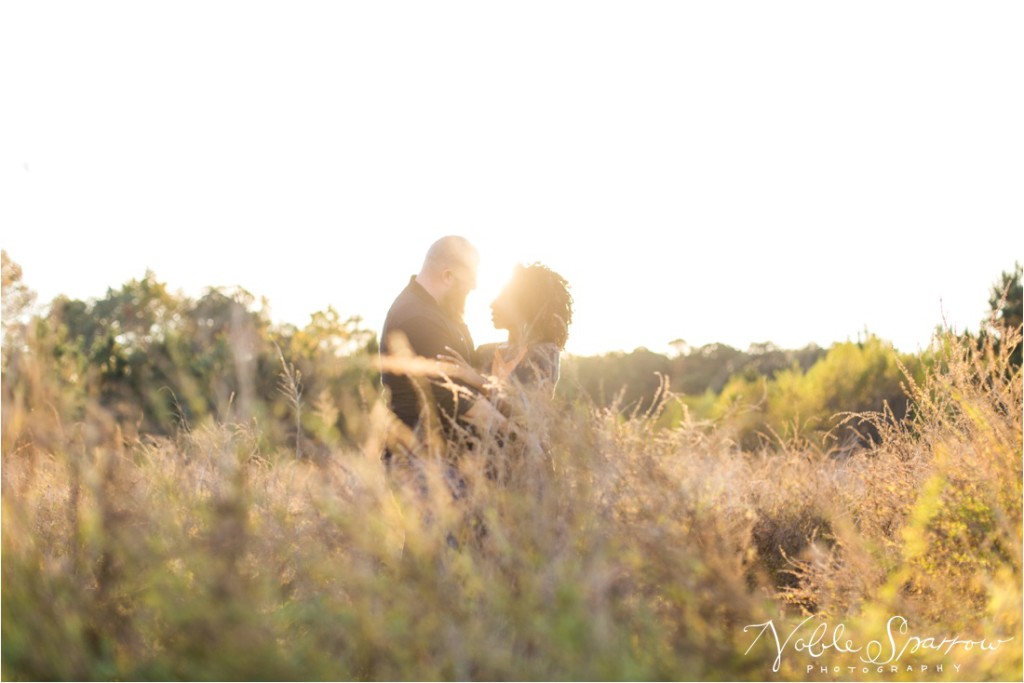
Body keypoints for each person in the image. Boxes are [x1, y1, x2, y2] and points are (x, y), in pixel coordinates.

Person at [379, 236, 499, 465]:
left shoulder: (443, 314)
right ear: (447, 276)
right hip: (419, 464)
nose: (472, 290)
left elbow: (468, 368)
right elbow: (454, 397)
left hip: (445, 460)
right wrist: (515, 433)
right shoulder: (417, 317)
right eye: (467, 285)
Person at [442, 262, 573, 404]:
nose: (492, 304)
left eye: (503, 298)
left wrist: (477, 380)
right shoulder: (484, 352)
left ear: (524, 303)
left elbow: (532, 411)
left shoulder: (545, 353)